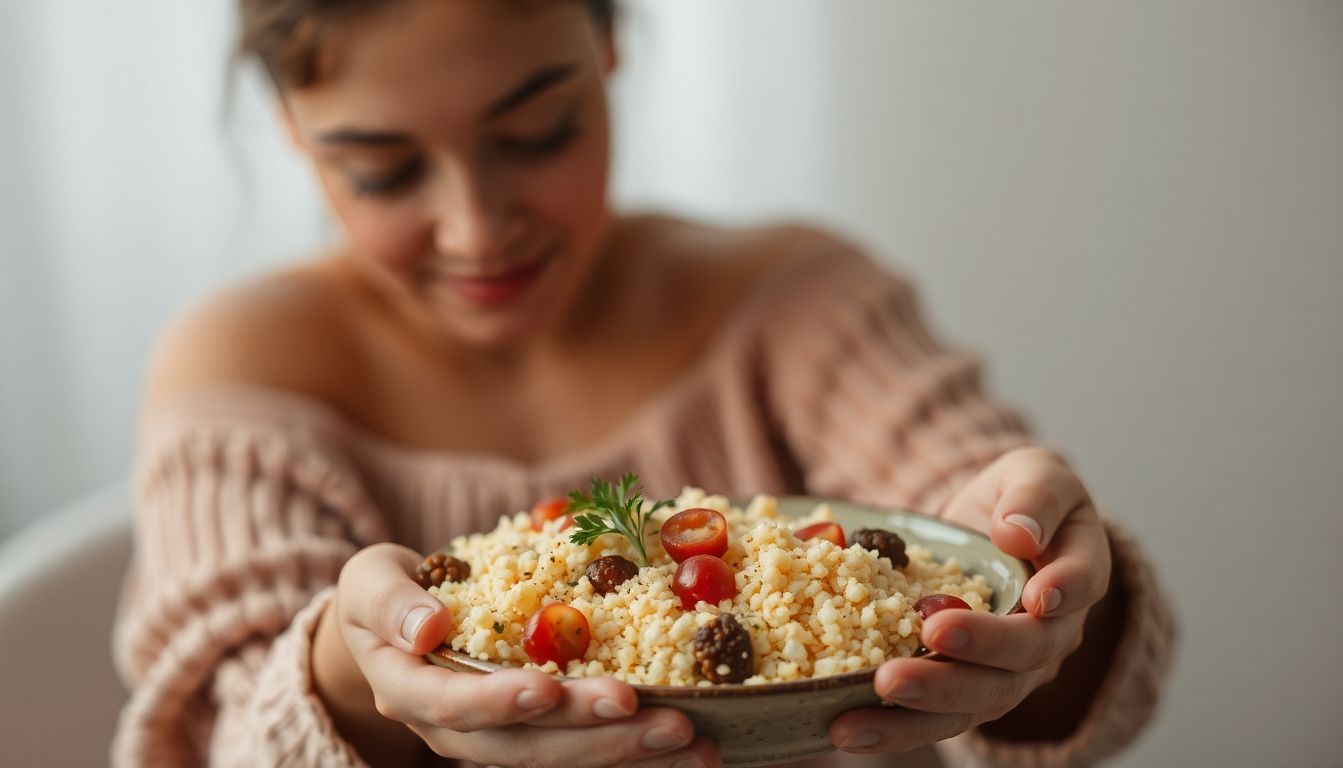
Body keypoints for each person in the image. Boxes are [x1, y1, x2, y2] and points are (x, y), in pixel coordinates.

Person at [111, 1, 1175, 766]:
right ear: (295, 134)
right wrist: (351, 674)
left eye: (538, 132)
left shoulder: (799, 301)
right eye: (383, 171)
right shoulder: (243, 367)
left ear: (610, 41)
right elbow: (220, 743)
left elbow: (1044, 631)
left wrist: (1045, 588)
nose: (477, 229)